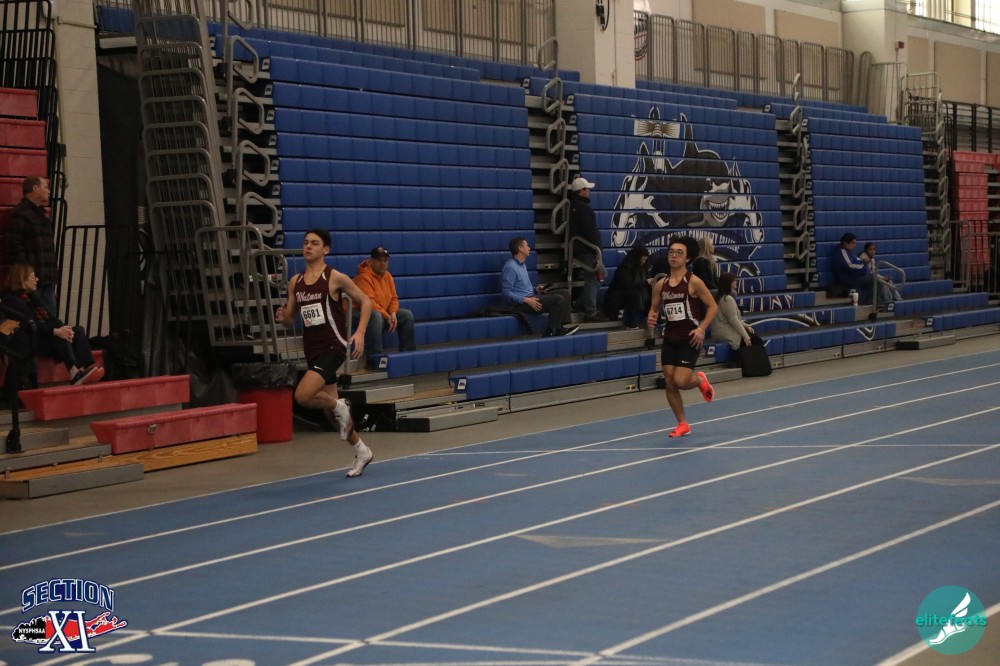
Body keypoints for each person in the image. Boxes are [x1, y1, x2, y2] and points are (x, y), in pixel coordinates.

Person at [274, 228, 375, 478]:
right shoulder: (295, 282)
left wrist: (360, 333)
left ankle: (341, 405)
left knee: (303, 395)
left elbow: (366, 301)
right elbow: (291, 319)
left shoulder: (334, 278)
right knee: (332, 415)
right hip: (312, 349)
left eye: (315, 243)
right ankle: (362, 451)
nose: (308, 247)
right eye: (306, 242)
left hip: (333, 347)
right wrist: (283, 318)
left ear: (325, 250)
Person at [647, 236, 717, 438]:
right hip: (670, 338)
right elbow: (654, 308)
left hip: (690, 338)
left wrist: (701, 329)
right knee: (670, 382)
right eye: (671, 252)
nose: (674, 256)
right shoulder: (661, 284)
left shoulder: (694, 281)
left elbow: (713, 306)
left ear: (687, 258)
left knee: (680, 381)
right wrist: (651, 317)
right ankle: (682, 423)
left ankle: (699, 380)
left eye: (679, 253)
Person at [2, 264, 104, 386]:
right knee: (59, 335)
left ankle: (81, 371)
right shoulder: (11, 300)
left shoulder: (32, 297)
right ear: (21, 279)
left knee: (78, 330)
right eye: (33, 277)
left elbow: (50, 318)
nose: (37, 280)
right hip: (33, 339)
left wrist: (63, 328)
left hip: (45, 334)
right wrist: (55, 331)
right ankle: (73, 372)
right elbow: (27, 324)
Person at [501, 236, 579, 337]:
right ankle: (551, 331)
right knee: (558, 299)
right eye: (527, 246)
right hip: (522, 304)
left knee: (565, 293)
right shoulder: (510, 267)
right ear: (520, 248)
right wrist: (527, 300)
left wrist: (537, 289)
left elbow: (522, 287)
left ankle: (561, 326)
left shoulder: (522, 265)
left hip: (531, 298)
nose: (529, 248)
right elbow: (506, 293)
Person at [2, 177, 58, 315]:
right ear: (35, 188)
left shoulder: (42, 214)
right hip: (31, 278)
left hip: (46, 276)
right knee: (32, 317)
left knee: (51, 318)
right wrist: (27, 272)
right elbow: (13, 244)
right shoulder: (20, 213)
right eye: (45, 187)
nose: (48, 191)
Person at [352, 246, 416, 359]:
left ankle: (408, 354)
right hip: (355, 313)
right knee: (376, 316)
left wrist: (393, 313)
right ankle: (374, 358)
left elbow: (394, 298)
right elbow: (369, 303)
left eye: (385, 260)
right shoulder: (363, 277)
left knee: (407, 315)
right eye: (379, 260)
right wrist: (387, 316)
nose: (382, 263)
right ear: (371, 262)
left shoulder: (388, 276)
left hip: (380, 312)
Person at [568, 176, 605, 322]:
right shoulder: (584, 209)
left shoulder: (572, 206)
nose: (588, 191)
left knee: (600, 274)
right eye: (586, 189)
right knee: (594, 278)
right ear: (581, 190)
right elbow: (590, 231)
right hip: (587, 250)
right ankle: (590, 312)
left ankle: (580, 304)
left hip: (579, 248)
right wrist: (597, 249)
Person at [832, 233, 894, 307]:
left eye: (855, 243)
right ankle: (872, 303)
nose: (855, 245)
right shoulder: (842, 252)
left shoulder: (849, 252)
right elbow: (850, 265)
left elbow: (858, 261)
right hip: (850, 279)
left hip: (859, 276)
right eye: (853, 243)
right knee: (878, 281)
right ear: (845, 243)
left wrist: (864, 265)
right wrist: (864, 262)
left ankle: (885, 301)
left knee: (882, 280)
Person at [602, 244, 652, 328]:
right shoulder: (624, 268)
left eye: (645, 260)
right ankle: (633, 322)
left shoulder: (644, 268)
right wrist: (645, 283)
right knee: (634, 294)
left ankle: (652, 319)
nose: (644, 262)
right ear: (637, 258)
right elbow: (627, 285)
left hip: (637, 295)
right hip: (619, 297)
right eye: (642, 260)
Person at [713, 272, 759, 350]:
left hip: (721, 331)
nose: (736, 281)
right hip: (725, 333)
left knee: (752, 334)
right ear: (729, 283)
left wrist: (746, 326)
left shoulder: (721, 297)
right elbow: (733, 320)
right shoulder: (727, 299)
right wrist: (746, 337)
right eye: (734, 280)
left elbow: (733, 319)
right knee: (756, 340)